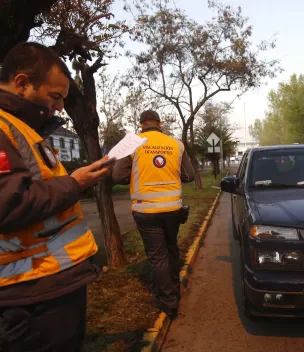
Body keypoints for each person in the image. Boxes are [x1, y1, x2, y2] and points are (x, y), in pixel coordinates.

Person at [0, 42, 113, 351]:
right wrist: (75, 183)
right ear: (22, 83)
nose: (61, 107)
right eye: (55, 97)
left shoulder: (24, 129)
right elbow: (9, 205)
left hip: (47, 284)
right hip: (32, 292)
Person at [112, 110, 195, 319]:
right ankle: (174, 285)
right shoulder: (176, 144)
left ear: (140, 124)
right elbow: (189, 175)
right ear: (160, 123)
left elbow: (118, 175)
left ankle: (169, 302)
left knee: (158, 256)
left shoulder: (134, 143)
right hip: (172, 209)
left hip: (146, 211)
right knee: (171, 247)